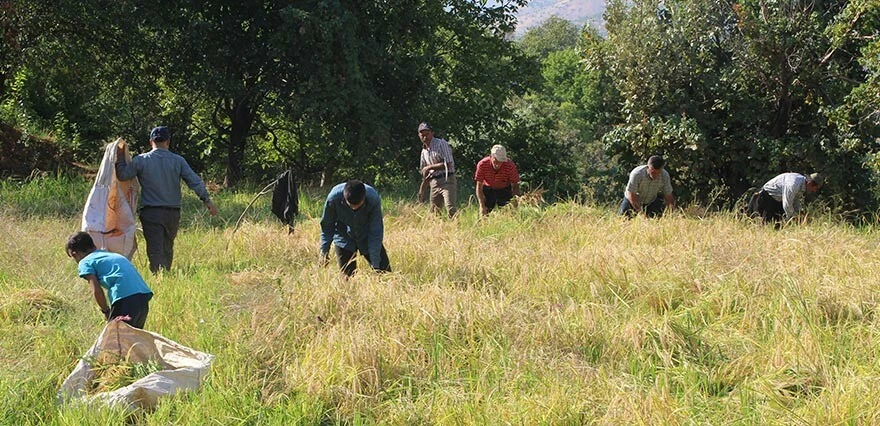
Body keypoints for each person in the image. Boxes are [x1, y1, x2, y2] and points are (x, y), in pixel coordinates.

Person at [115, 126, 218, 273]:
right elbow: (194, 181)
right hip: (173, 213)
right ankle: (166, 274)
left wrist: (120, 157)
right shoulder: (178, 161)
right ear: (168, 142)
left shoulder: (141, 160)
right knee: (168, 246)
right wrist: (207, 201)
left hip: (151, 213)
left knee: (155, 248)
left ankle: (159, 277)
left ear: (151, 142)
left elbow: (123, 175)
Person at [66, 231, 153, 328]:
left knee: (116, 335)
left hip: (124, 299)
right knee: (133, 335)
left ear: (75, 254)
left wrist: (106, 311)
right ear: (93, 245)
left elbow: (97, 291)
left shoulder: (85, 262)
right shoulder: (111, 255)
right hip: (142, 297)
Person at [319, 180, 391, 277]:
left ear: (364, 198)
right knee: (347, 278)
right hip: (343, 236)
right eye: (351, 206)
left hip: (366, 235)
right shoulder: (333, 198)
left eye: (358, 206)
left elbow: (375, 232)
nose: (354, 209)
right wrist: (324, 252)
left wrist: (376, 266)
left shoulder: (373, 199)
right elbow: (327, 226)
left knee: (385, 274)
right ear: (344, 198)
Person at [417, 122, 457, 217]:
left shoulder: (441, 144)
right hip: (434, 182)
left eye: (427, 134)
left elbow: (448, 163)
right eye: (422, 135)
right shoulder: (424, 151)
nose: (425, 137)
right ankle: (439, 226)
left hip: (447, 179)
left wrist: (430, 167)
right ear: (419, 136)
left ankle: (456, 225)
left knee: (450, 209)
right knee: (434, 212)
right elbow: (424, 172)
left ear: (432, 133)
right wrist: (422, 191)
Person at [752, 172, 823, 224]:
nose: (814, 191)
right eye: (815, 188)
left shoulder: (802, 185)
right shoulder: (793, 184)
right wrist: (795, 219)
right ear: (810, 183)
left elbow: (795, 201)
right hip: (767, 198)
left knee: (778, 225)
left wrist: (799, 213)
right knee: (767, 225)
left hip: (777, 200)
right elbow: (787, 204)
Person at [474, 144, 520, 215]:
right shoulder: (482, 165)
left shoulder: (510, 166)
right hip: (488, 189)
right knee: (483, 214)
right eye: (496, 161)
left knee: (509, 214)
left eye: (500, 161)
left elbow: (515, 185)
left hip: (504, 190)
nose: (498, 164)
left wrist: (514, 203)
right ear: (491, 156)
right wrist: (482, 205)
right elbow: (479, 186)